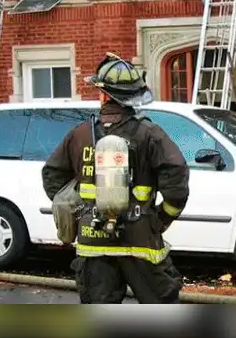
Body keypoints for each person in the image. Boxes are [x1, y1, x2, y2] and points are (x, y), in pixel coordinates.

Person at [41, 53, 190, 304]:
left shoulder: (79, 135)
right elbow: (177, 180)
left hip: (92, 241)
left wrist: (79, 212)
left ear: (103, 96)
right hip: (140, 239)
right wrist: (160, 219)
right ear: (132, 99)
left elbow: (52, 175)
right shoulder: (150, 134)